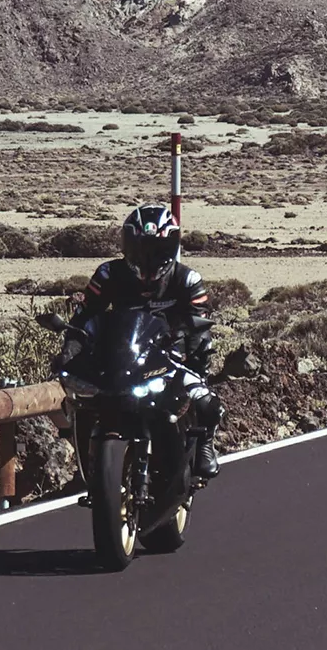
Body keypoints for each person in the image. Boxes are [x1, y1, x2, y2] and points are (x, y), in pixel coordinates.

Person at [52, 204, 224, 478]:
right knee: (80, 395)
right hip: (119, 357)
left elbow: (199, 327)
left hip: (168, 359)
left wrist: (193, 359)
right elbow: (84, 316)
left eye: (155, 249)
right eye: (139, 247)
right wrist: (70, 351)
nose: (147, 256)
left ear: (170, 247)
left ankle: (205, 443)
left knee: (206, 403)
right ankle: (90, 459)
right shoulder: (108, 274)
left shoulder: (187, 279)